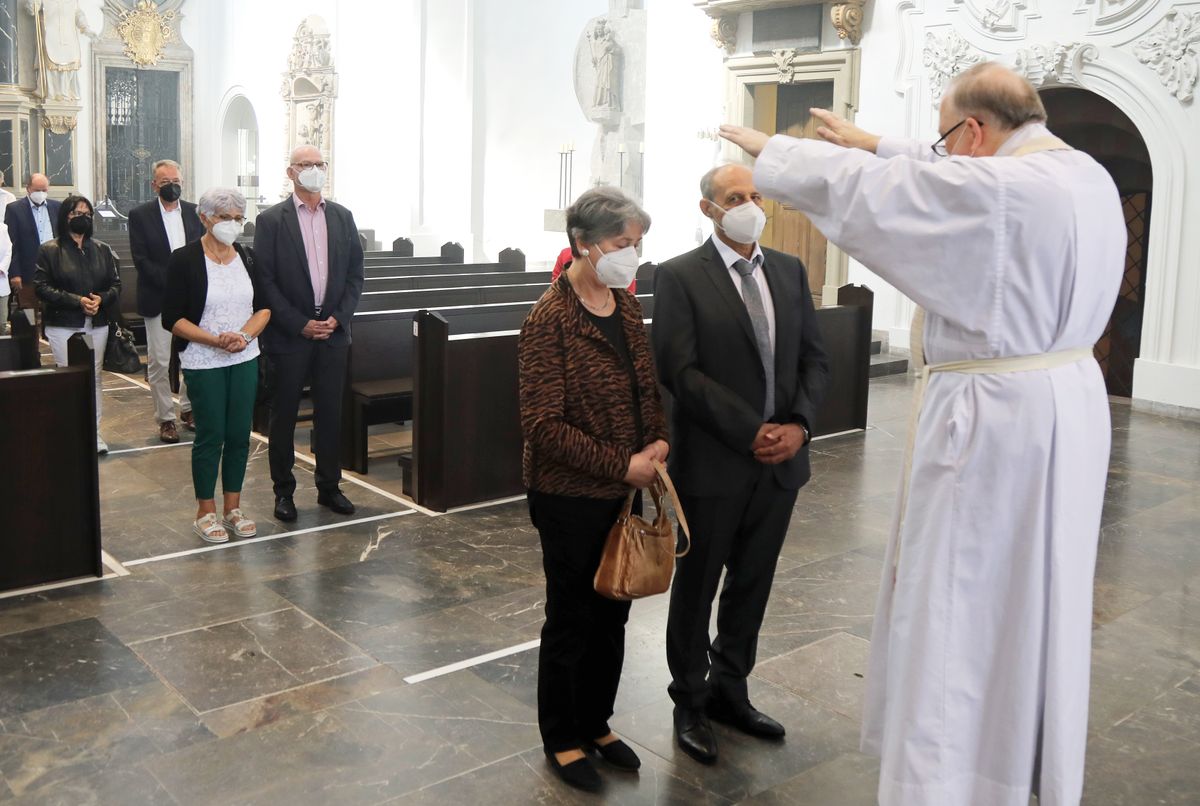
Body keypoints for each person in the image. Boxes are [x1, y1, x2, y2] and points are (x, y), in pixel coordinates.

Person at [720, 62, 1124, 806]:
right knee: (1037, 600)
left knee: (961, 603)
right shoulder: (1083, 175)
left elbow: (911, 195)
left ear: (975, 128)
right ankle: (1022, 759)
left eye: (948, 136)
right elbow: (944, 174)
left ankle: (950, 776)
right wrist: (879, 141)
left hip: (997, 423)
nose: (941, 153)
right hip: (1064, 410)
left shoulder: (1003, 192)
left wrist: (777, 156)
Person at [652, 164, 830, 765]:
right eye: (735, 198)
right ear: (709, 209)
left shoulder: (788, 269)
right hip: (714, 461)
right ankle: (691, 701)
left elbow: (813, 359)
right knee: (697, 587)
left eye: (755, 196)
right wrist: (750, 429)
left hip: (780, 465)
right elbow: (680, 370)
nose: (749, 206)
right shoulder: (680, 276)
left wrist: (799, 427)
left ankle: (732, 690)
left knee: (752, 582)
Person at [518, 186, 669, 793]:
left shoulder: (624, 306)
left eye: (637, 244)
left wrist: (656, 444)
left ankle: (597, 723)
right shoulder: (548, 320)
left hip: (626, 484)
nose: (631, 254)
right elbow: (542, 426)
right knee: (572, 617)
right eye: (621, 243)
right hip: (568, 494)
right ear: (582, 244)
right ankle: (562, 736)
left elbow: (645, 389)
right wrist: (620, 465)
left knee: (614, 610)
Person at [253, 145, 363, 522]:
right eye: (306, 165)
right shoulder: (271, 221)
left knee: (330, 413)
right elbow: (264, 281)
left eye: (319, 164)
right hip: (290, 335)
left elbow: (354, 276)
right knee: (283, 416)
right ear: (291, 172)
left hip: (333, 333)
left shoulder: (343, 217)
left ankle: (330, 487)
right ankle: (283, 492)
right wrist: (298, 321)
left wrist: (338, 317)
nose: (314, 170)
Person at [162, 188, 270, 544]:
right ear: (205, 218)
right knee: (212, 435)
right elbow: (173, 318)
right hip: (203, 359)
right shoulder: (185, 259)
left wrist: (244, 336)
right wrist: (215, 339)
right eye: (225, 217)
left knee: (240, 434)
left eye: (238, 218)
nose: (233, 225)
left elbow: (264, 307)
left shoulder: (248, 257)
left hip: (244, 356)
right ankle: (205, 511)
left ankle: (233, 508)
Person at [33, 194, 119, 454]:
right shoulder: (50, 249)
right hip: (64, 324)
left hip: (98, 322)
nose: (82, 217)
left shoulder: (101, 249)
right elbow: (41, 287)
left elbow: (115, 284)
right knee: (68, 378)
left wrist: (100, 300)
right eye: (76, 212)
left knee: (94, 378)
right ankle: (68, 431)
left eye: (87, 213)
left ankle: (93, 433)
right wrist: (76, 301)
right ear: (65, 216)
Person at [128, 159, 204, 444]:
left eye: (176, 182)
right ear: (154, 185)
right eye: (165, 183)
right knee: (160, 361)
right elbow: (141, 259)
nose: (172, 187)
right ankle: (166, 418)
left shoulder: (195, 212)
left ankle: (188, 408)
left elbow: (200, 251)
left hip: (190, 299)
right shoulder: (140, 215)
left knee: (191, 357)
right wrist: (172, 283)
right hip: (158, 297)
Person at [5, 173, 60, 309]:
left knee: (53, 310)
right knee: (30, 312)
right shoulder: (14, 209)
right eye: (37, 190)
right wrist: (15, 273)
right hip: (28, 272)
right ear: (28, 188)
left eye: (44, 190)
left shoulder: (57, 207)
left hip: (54, 269)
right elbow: (12, 245)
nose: (41, 193)